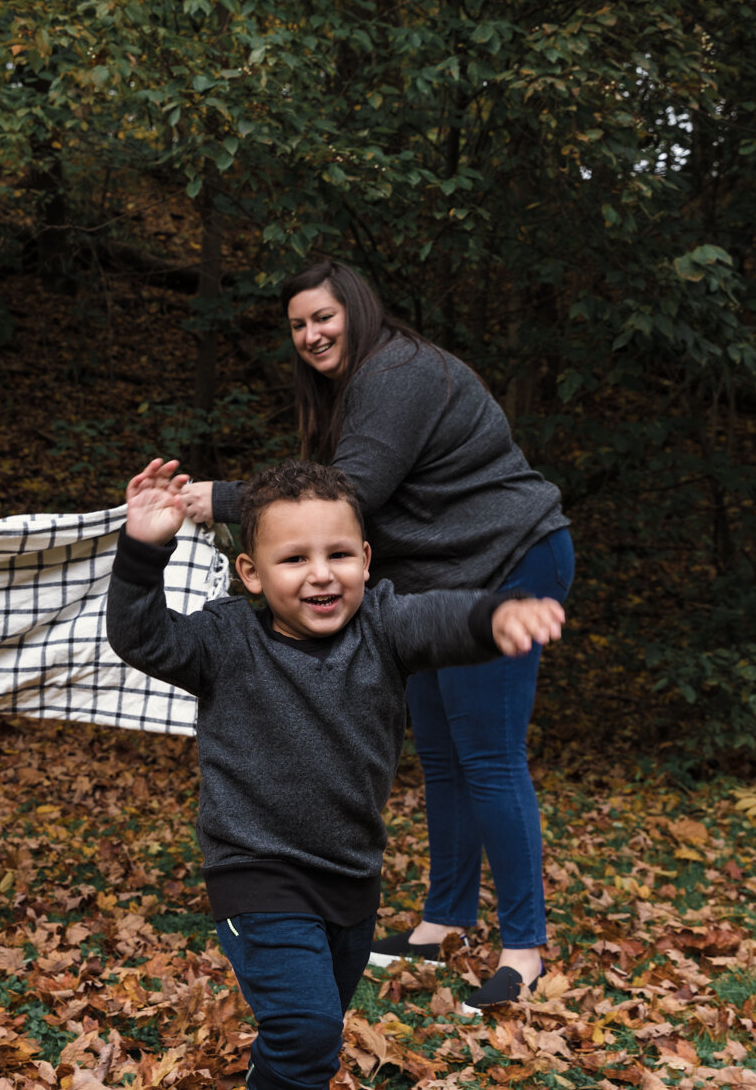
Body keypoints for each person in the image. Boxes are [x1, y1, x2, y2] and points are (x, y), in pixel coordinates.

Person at [180, 260, 572, 1008]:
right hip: (438, 582)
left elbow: (349, 493)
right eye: (297, 324)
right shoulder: (357, 386)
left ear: (356, 311)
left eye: (322, 317)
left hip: (507, 562)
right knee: (443, 756)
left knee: (487, 755)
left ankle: (524, 950)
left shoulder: (398, 372)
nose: (310, 334)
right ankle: (444, 922)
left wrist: (224, 498)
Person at [108, 457, 564, 1090]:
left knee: (309, 1038)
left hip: (352, 878)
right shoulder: (226, 638)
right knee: (307, 1029)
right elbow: (142, 638)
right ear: (252, 573)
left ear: (368, 561)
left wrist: (493, 619)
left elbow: (438, 618)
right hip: (257, 873)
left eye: (340, 554)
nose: (321, 574)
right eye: (294, 559)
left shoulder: (383, 625)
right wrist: (140, 552)